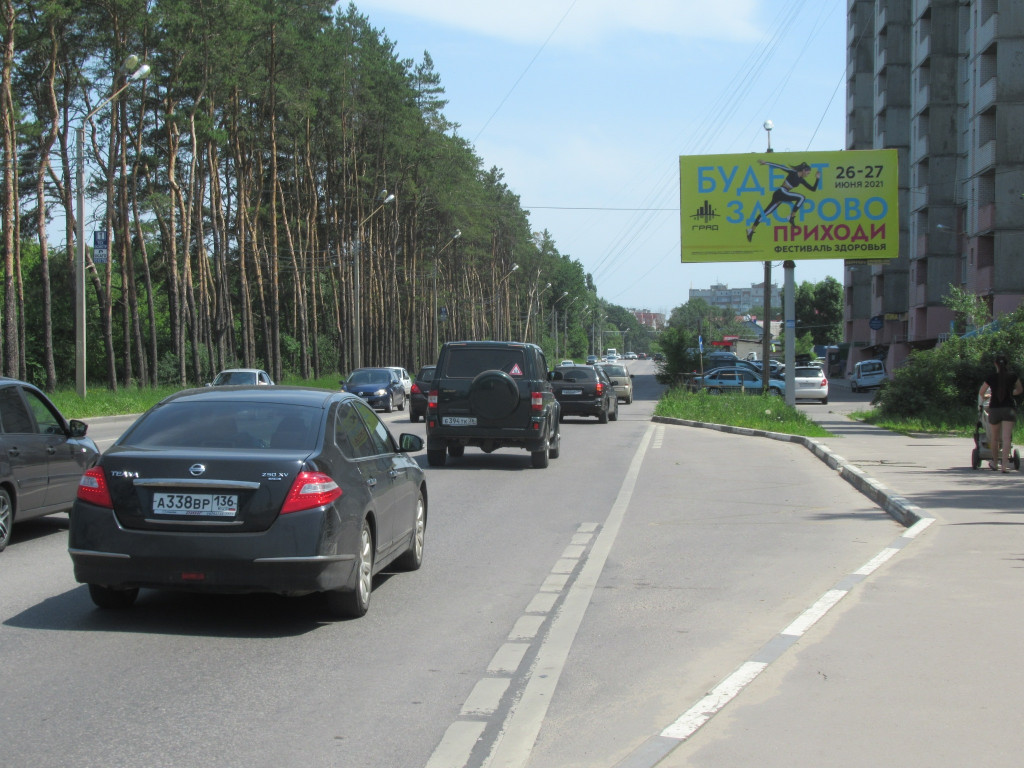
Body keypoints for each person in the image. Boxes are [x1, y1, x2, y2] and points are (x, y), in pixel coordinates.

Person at [746, 160, 822, 241]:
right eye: (808, 173)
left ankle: (751, 230)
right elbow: (780, 166)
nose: (808, 175)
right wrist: (766, 163)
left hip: (781, 196)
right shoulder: (793, 173)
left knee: (765, 213)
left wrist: (817, 179)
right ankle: (791, 217)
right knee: (802, 197)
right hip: (781, 192)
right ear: (803, 170)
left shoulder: (801, 180)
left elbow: (813, 189)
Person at [978, 353, 1023, 472]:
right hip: (1009, 408)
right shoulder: (1013, 376)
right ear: (1007, 364)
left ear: (995, 364)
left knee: (994, 438)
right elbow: (1020, 389)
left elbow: (982, 392)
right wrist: (1010, 393)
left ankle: (995, 462)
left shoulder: (991, 377)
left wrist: (988, 395)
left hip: (994, 409)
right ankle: (1004, 465)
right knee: (1007, 437)